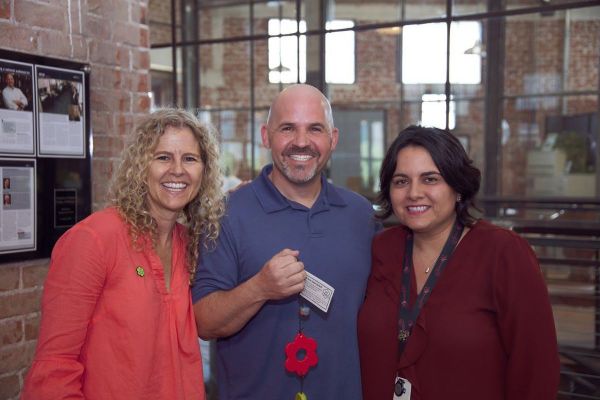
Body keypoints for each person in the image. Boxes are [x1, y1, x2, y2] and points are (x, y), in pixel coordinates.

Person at [22, 108, 225, 399]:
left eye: (190, 159)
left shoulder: (188, 244)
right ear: (141, 166)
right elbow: (54, 367)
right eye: (163, 157)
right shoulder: (93, 240)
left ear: (204, 171)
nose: (178, 170)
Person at [192, 84, 379, 400]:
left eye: (315, 129)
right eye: (288, 128)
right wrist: (259, 288)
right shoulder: (226, 214)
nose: (301, 141)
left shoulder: (360, 215)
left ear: (333, 139)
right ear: (266, 136)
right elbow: (204, 322)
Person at [358, 125, 560, 400]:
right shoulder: (381, 248)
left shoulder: (503, 253)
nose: (414, 193)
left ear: (458, 188)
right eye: (401, 181)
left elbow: (536, 368)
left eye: (430, 179)